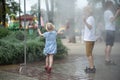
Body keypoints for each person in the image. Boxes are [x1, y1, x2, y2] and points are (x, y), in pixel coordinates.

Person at [104, 1, 120, 65]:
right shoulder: (109, 12)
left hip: (107, 29)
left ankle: (106, 59)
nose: (113, 6)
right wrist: (117, 13)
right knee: (109, 45)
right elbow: (111, 20)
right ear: (109, 5)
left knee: (107, 45)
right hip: (110, 30)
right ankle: (108, 60)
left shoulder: (105, 12)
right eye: (112, 5)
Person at [83, 5, 96, 73]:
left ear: (88, 11)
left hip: (89, 39)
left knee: (88, 54)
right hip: (91, 39)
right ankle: (92, 66)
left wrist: (85, 21)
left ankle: (91, 68)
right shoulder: (91, 18)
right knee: (90, 54)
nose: (84, 13)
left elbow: (90, 27)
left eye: (85, 11)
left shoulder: (90, 18)